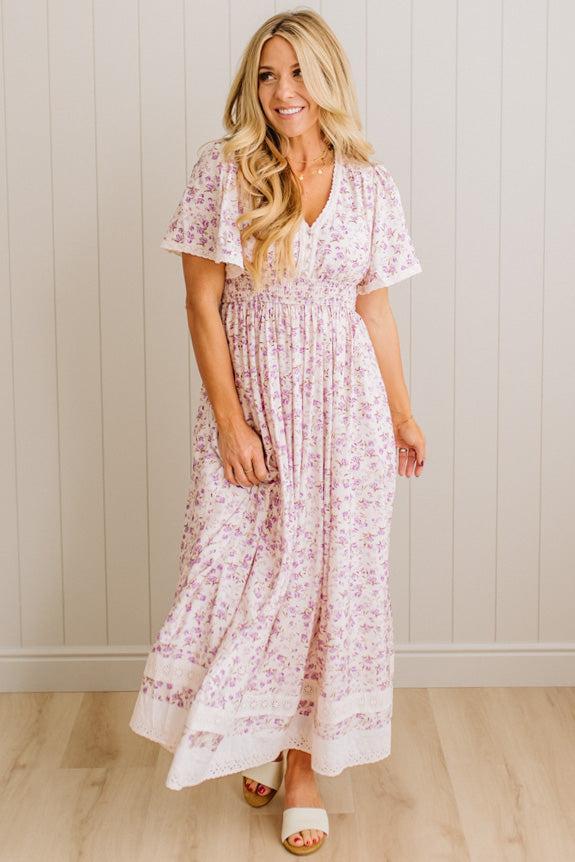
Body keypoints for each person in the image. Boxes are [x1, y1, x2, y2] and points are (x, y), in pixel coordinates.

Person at [129, 8, 425, 855]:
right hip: (255, 412)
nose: (282, 91)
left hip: (347, 418)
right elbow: (201, 303)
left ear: (327, 80)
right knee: (240, 576)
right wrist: (229, 420)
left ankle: (299, 767)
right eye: (267, 74)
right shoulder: (223, 172)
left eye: (297, 74)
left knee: (327, 586)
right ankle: (249, 729)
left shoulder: (369, 184)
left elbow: (375, 309)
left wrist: (401, 413)